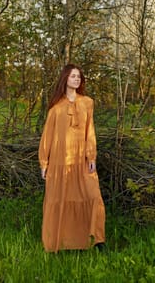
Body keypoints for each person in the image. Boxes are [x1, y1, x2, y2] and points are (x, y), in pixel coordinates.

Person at [38, 63, 105, 253]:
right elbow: (47, 136)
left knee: (93, 196)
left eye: (79, 77)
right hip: (60, 162)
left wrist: (91, 155)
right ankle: (59, 243)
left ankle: (97, 240)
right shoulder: (56, 108)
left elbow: (89, 131)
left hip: (82, 161)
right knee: (59, 200)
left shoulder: (87, 103)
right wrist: (44, 162)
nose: (76, 79)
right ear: (65, 79)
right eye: (73, 76)